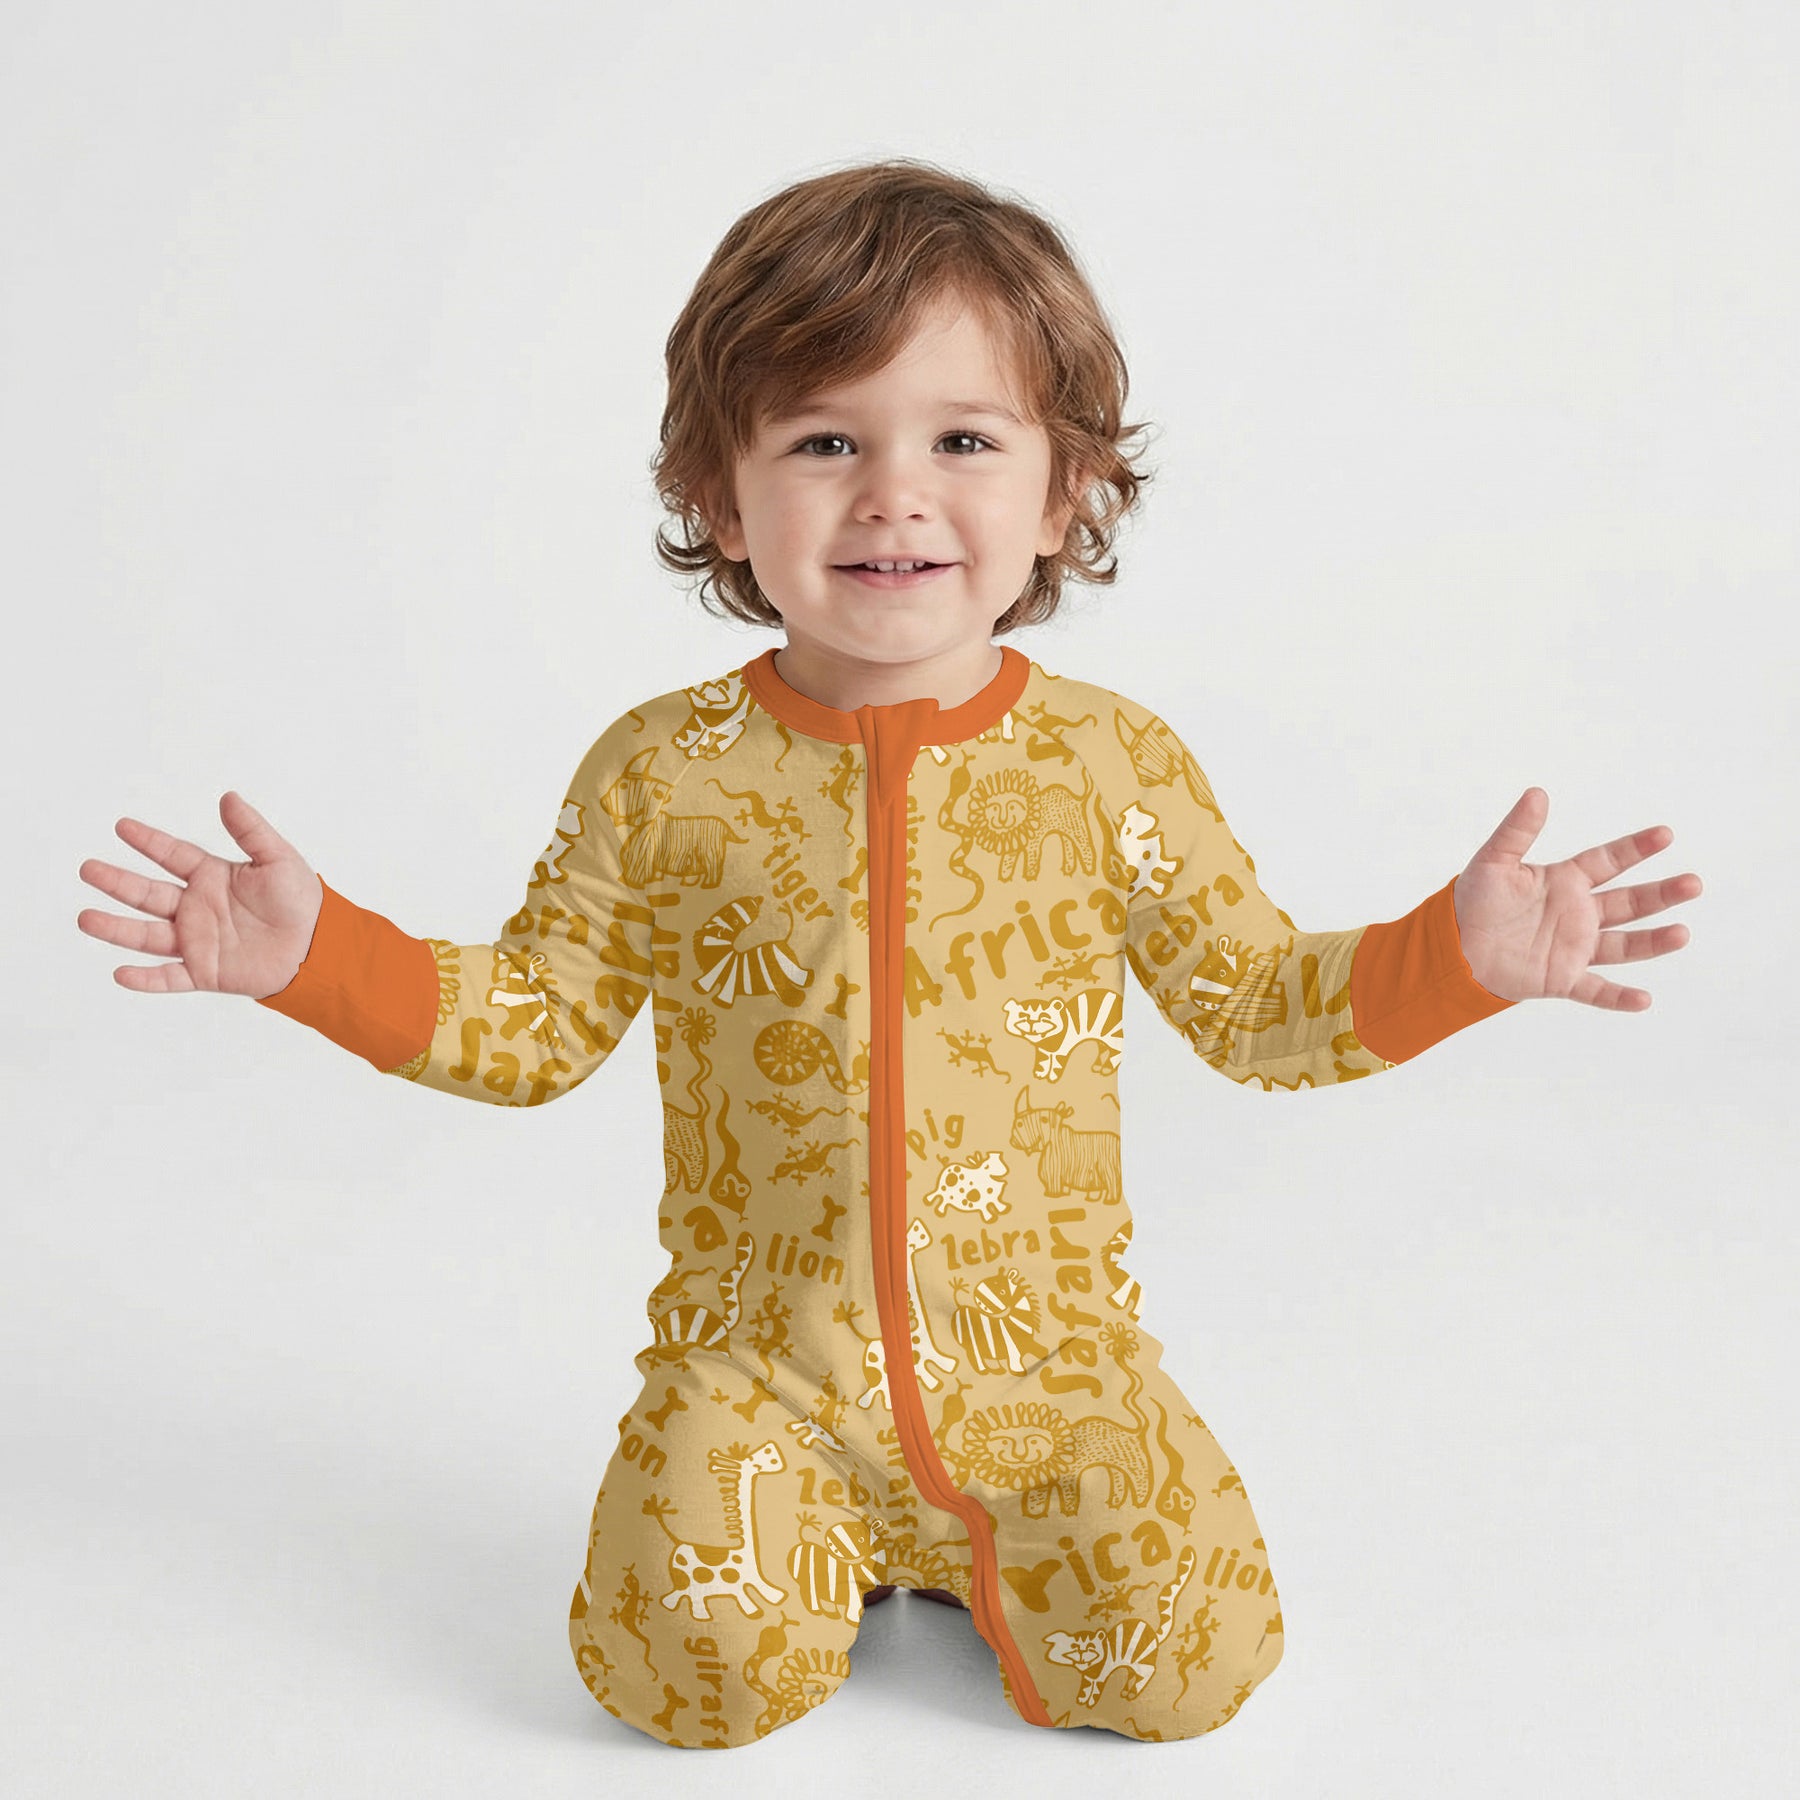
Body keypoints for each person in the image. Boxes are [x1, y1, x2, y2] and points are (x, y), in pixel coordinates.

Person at [74, 158, 1702, 1748]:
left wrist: (1459, 957)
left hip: (1053, 1382)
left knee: (1186, 1674)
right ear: (720, 493)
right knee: (679, 1678)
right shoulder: (662, 774)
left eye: (964, 439)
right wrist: (318, 956)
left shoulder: (1112, 766)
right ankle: (812, 1542)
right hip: (760, 1383)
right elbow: (534, 1026)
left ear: (1065, 494)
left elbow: (1260, 1009)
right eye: (825, 440)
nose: (894, 493)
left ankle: (998, 1551)